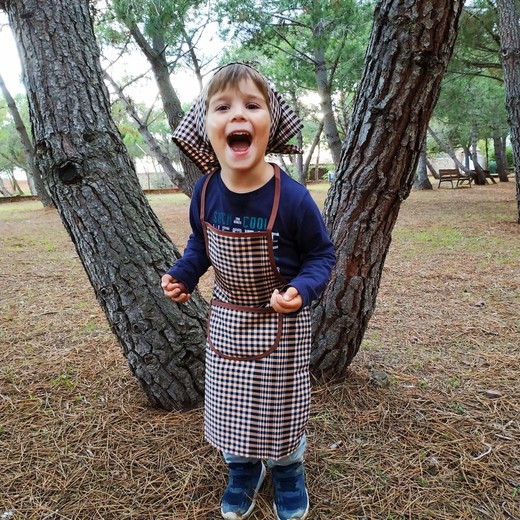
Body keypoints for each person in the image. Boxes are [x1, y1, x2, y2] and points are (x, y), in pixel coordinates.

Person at [161, 62, 335, 520]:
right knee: (228, 408)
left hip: (282, 325)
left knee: (280, 409)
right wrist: (183, 273)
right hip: (229, 322)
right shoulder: (203, 192)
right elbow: (200, 243)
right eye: (223, 107)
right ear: (205, 127)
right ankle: (241, 470)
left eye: (252, 105)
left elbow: (322, 256)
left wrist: (301, 288)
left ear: (270, 123)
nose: (237, 114)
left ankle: (287, 471)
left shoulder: (293, 197)